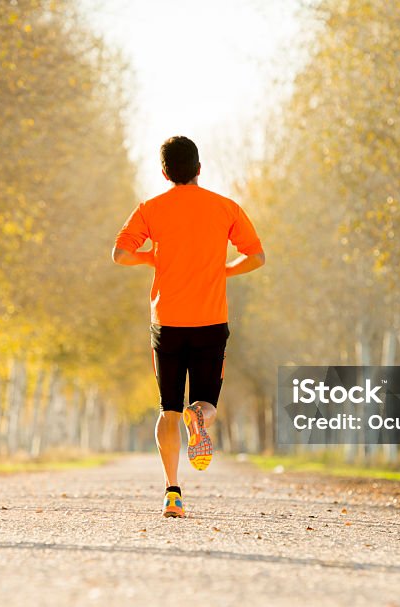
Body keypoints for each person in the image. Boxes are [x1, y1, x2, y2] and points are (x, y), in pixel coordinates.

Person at [112, 136, 266, 518]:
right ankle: (199, 418)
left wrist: (154, 260)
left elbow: (120, 254)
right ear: (199, 168)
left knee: (167, 410)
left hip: (167, 323)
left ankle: (173, 492)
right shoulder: (225, 207)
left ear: (164, 172)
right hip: (211, 321)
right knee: (206, 403)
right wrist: (225, 269)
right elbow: (257, 257)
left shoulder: (151, 208)